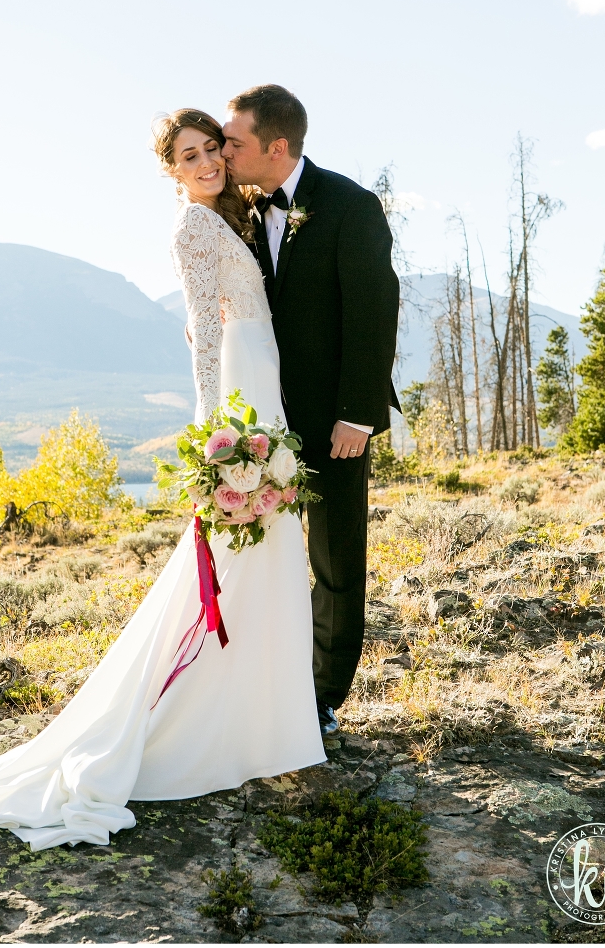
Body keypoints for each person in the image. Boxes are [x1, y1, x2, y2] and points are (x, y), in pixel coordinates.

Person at [0, 108, 326, 851]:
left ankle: (265, 723)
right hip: (239, 392)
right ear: (169, 170)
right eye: (189, 156)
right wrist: (213, 433)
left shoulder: (230, 212)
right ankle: (220, 726)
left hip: (263, 380)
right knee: (238, 554)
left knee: (264, 557)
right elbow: (204, 328)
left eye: (211, 150)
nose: (205, 163)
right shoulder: (193, 227)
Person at [222, 85, 400, 736]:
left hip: (333, 420)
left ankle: (323, 696)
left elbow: (373, 312)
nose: (224, 150)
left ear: (276, 147)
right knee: (259, 556)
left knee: (334, 557)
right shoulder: (235, 209)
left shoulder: (350, 207)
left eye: (234, 141)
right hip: (258, 421)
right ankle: (260, 677)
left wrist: (358, 412)